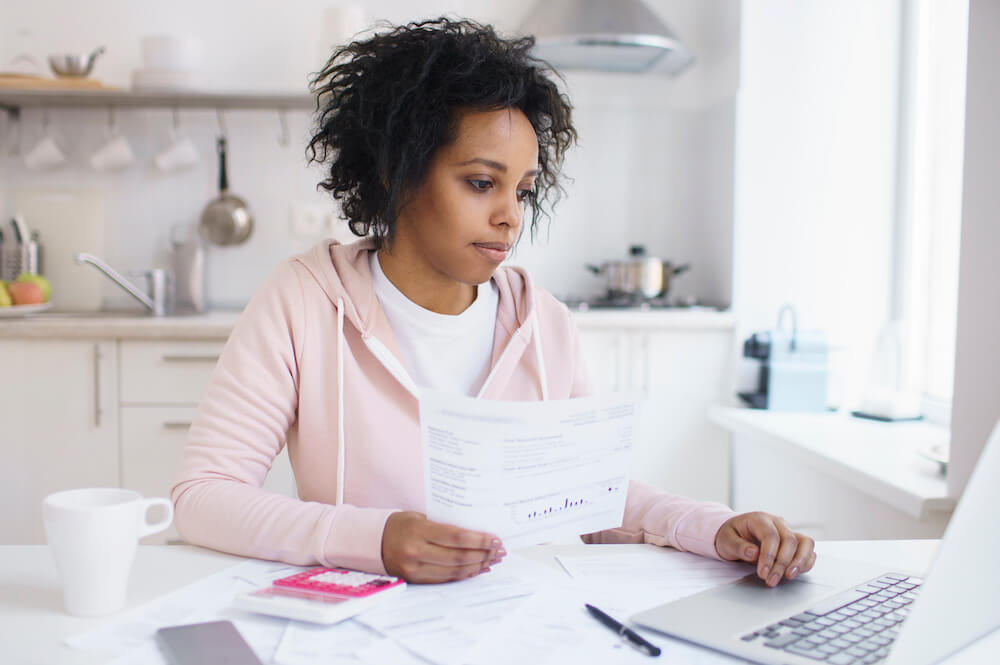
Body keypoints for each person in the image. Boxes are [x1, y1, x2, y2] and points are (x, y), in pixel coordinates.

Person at [172, 17, 815, 587]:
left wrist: (714, 525)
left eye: (523, 191)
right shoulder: (303, 302)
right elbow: (204, 496)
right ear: (397, 171)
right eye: (481, 183)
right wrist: (373, 540)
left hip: (515, 621)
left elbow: (589, 497)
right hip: (356, 623)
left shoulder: (545, 326)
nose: (510, 217)